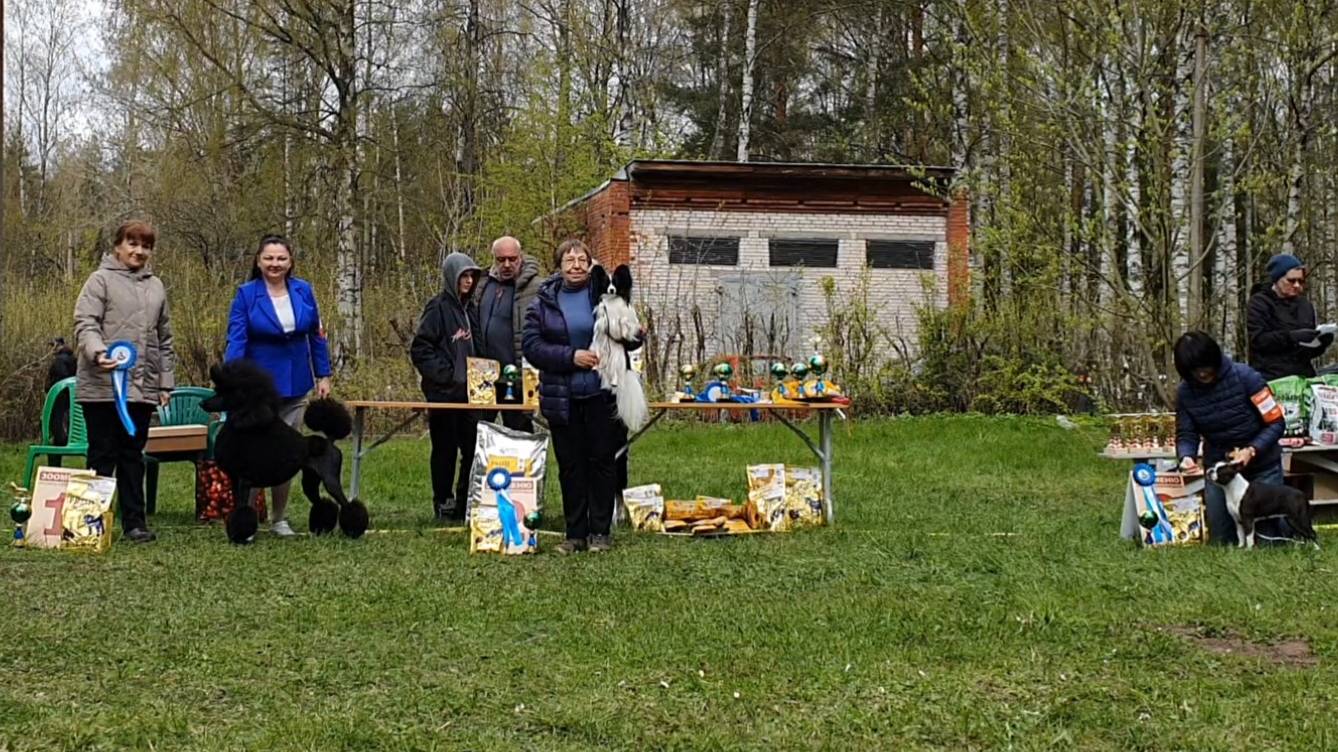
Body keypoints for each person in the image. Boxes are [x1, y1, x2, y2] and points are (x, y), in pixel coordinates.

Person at [523, 239, 640, 554]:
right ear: (559, 266)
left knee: (603, 462)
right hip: (563, 397)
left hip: (603, 394)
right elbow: (531, 346)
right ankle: (575, 533)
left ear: (590, 264)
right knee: (571, 465)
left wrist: (631, 335)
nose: (575, 265)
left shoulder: (605, 292)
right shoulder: (543, 301)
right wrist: (570, 356)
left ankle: (600, 532)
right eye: (568, 259)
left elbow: (633, 340)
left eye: (581, 259)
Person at [73, 220, 175, 544]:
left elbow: (165, 339)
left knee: (133, 455)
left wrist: (164, 384)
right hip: (101, 386)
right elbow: (85, 323)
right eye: (132, 244)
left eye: (145, 246)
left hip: (141, 388)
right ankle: (91, 522)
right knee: (102, 452)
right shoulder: (99, 281)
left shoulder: (157, 286)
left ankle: (135, 523)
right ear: (118, 246)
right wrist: (98, 352)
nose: (139, 251)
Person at [223, 235, 333, 537]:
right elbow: (237, 339)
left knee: (287, 453)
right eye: (269, 258)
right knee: (255, 455)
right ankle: (246, 521)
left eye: (281, 259)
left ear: (290, 261)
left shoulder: (304, 291)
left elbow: (317, 336)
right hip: (258, 392)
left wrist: (323, 374)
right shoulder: (246, 295)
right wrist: (232, 382)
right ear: (258, 261)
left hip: (296, 384)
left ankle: (279, 518)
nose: (275, 264)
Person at [1174, 331, 1290, 545]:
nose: (1202, 373)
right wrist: (1186, 456)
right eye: (1194, 370)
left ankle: (1286, 528)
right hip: (1221, 472)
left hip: (1261, 466)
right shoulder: (1184, 394)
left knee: (1268, 542)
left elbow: (1276, 422)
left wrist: (1252, 449)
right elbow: (1186, 433)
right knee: (1222, 540)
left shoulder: (1247, 377)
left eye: (1206, 366)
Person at [411, 251, 483, 522]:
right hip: (444, 393)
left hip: (472, 393)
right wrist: (447, 375)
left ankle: (465, 498)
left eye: (471, 276)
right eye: (463, 276)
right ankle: (443, 500)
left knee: (472, 447)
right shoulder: (438, 308)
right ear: (452, 277)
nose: (468, 281)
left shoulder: (472, 310)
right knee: (445, 449)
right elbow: (420, 348)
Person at [473, 235, 542, 432]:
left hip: (519, 377)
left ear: (521, 257)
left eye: (512, 259)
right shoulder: (481, 284)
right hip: (484, 377)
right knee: (477, 436)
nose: (506, 264)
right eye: (501, 259)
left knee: (520, 436)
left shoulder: (537, 287)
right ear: (493, 258)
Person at [1247, 253, 1332, 380]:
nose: (1297, 285)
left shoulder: (1305, 305)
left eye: (1301, 281)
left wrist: (1321, 344)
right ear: (1277, 279)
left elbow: (1305, 352)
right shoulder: (1259, 303)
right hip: (1271, 376)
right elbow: (1259, 341)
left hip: (1303, 376)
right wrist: (1291, 337)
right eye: (1291, 281)